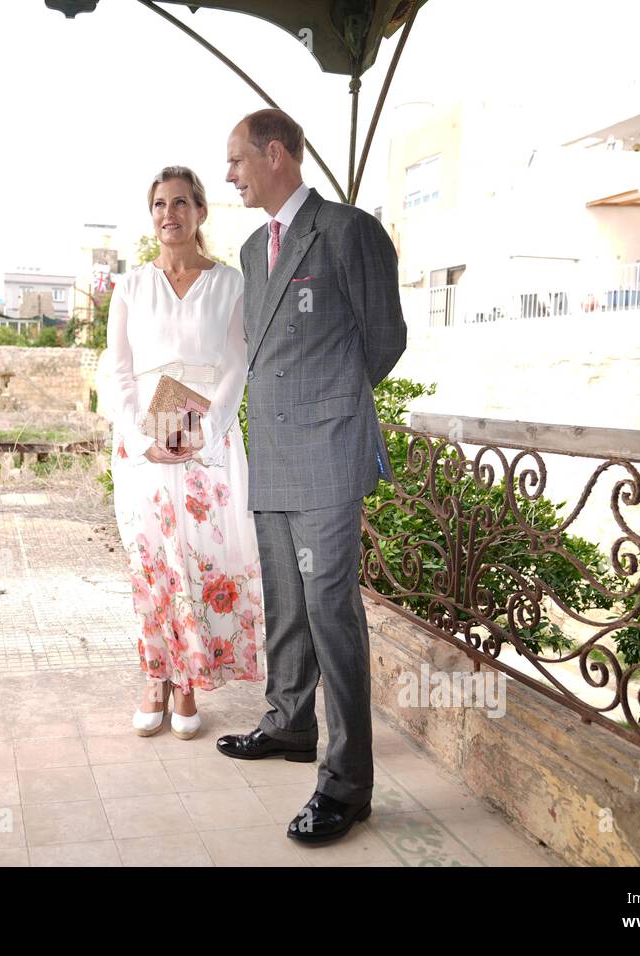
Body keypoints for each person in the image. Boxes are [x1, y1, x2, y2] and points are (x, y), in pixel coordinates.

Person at [217, 109, 407, 845]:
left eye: (236, 161)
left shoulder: (348, 230)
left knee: (332, 612)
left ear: (274, 154)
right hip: (272, 451)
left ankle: (346, 784)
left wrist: (325, 405)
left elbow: (384, 339)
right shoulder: (250, 248)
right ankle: (290, 723)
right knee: (287, 603)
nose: (230, 174)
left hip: (326, 452)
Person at [96, 165, 265, 741]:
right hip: (144, 441)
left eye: (181, 203)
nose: (170, 214)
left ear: (200, 211)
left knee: (198, 560)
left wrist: (205, 429)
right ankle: (154, 678)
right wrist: (143, 436)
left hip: (206, 443)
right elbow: (115, 369)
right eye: (160, 205)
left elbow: (238, 363)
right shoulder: (131, 286)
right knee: (152, 562)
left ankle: (189, 680)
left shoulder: (231, 283)